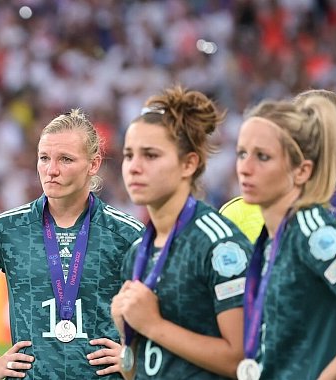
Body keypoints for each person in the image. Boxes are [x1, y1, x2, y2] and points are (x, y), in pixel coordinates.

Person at [0, 109, 143, 379]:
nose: (51, 170)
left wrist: (132, 356)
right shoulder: (6, 230)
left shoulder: (126, 233)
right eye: (44, 158)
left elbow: (168, 311)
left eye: (65, 159)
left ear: (93, 164)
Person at [220, 89, 336, 380]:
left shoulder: (311, 230)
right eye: (242, 154)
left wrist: (329, 375)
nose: (246, 167)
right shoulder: (274, 225)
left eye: (263, 156)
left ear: (299, 166)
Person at [110, 86, 252, 379]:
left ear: (189, 163)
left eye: (150, 155)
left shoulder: (219, 245)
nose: (134, 167)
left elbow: (243, 361)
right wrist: (126, 338)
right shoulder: (138, 252)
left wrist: (152, 325)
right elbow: (136, 371)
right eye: (128, 155)